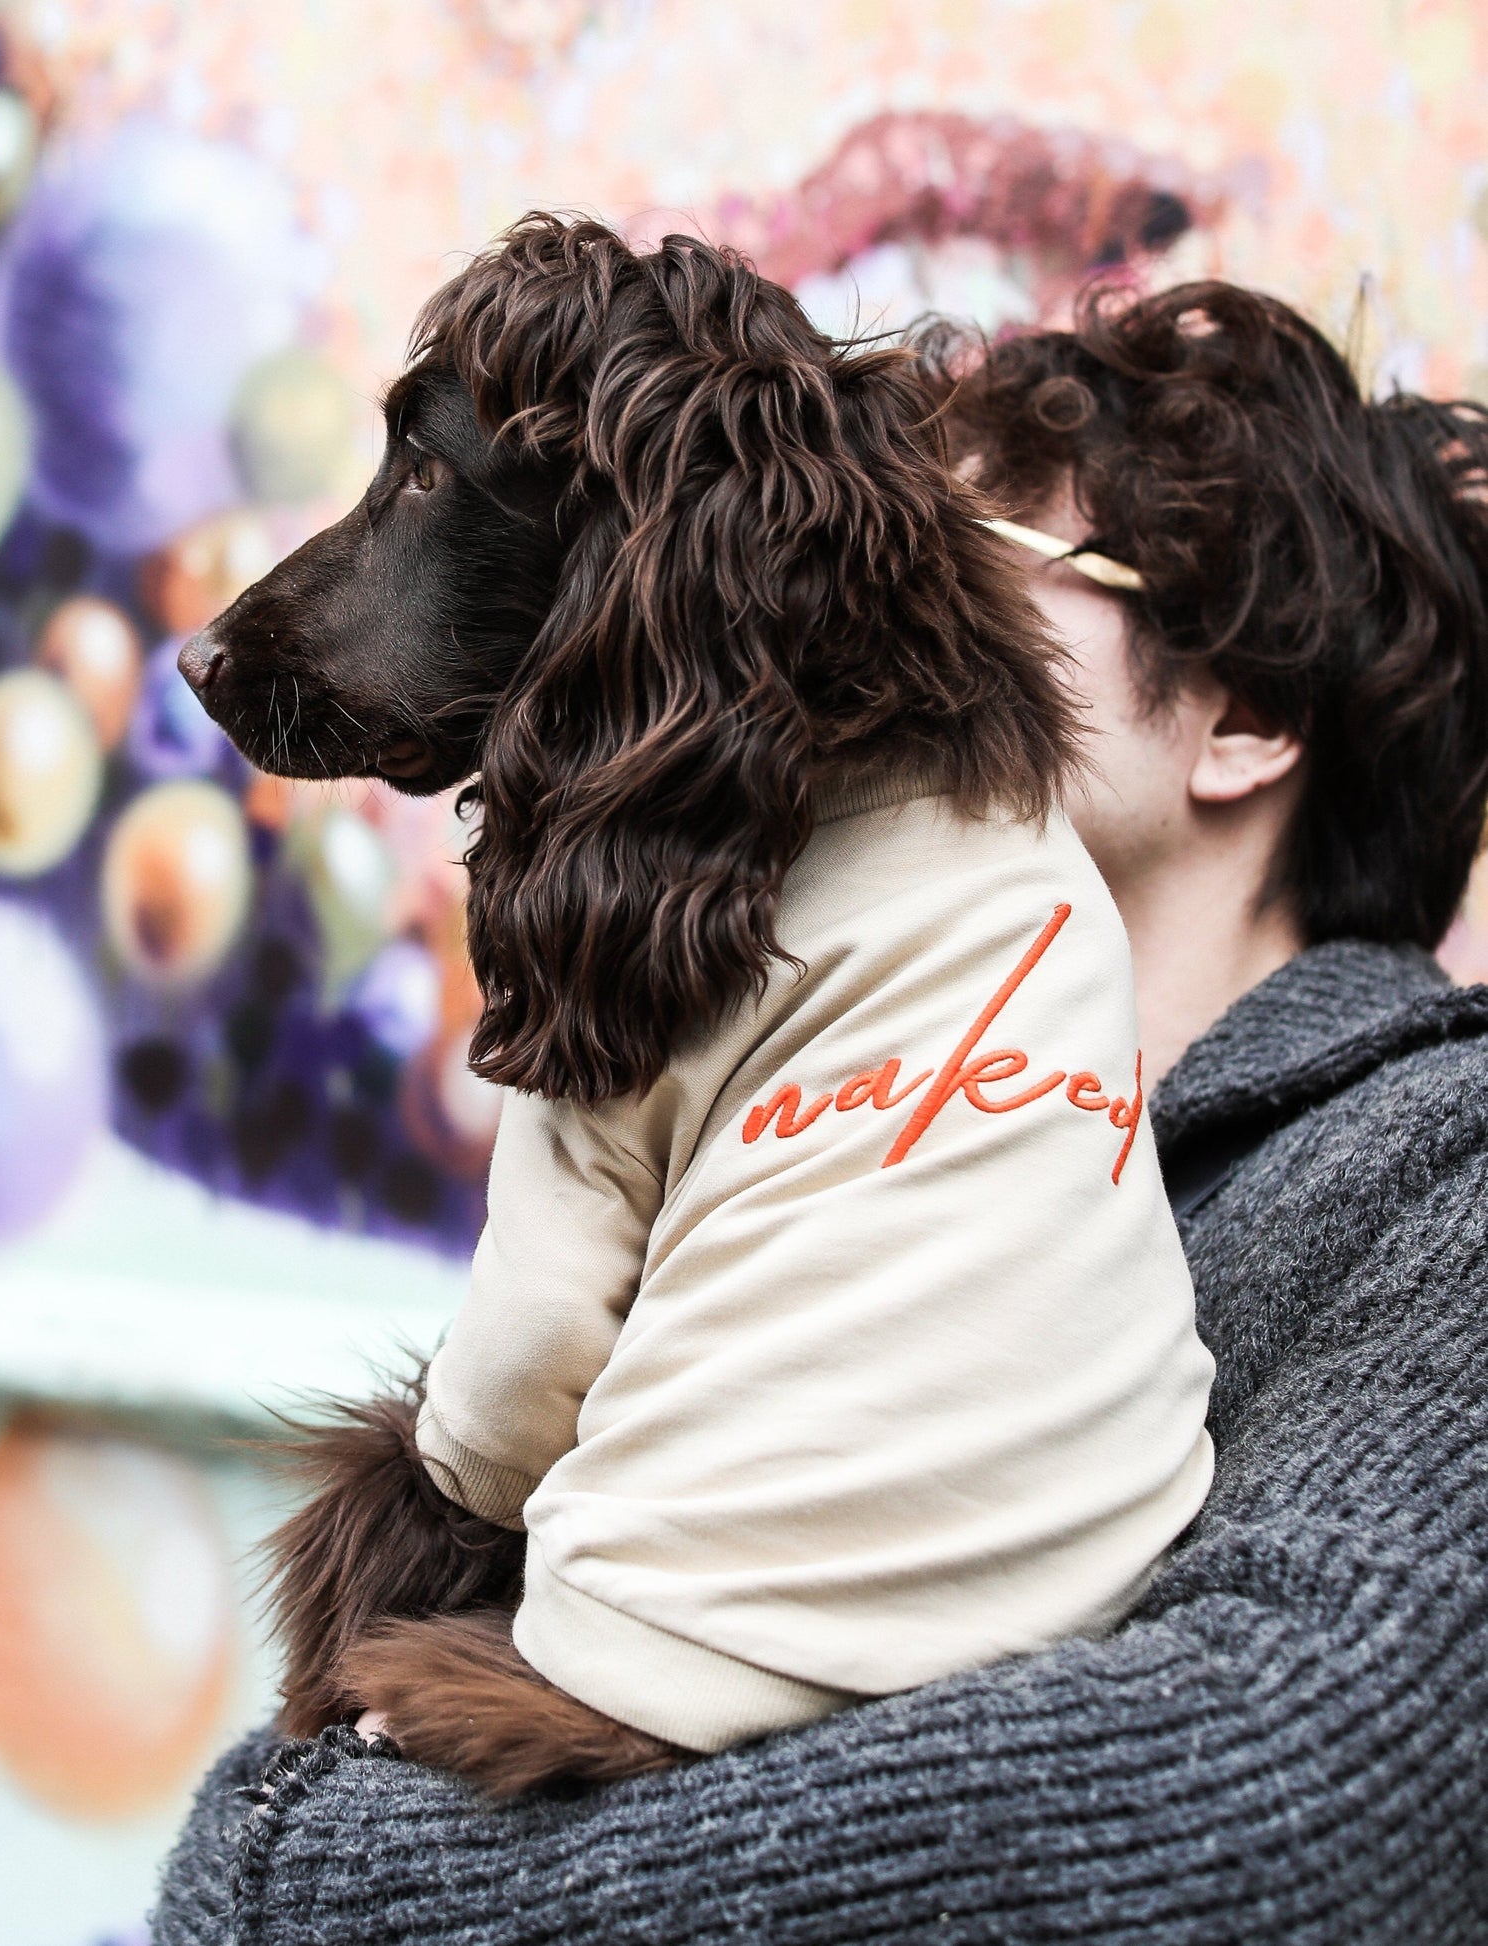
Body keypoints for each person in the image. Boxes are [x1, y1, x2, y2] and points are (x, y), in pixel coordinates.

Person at [154, 280, 1488, 1943]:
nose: (884, 564)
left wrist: (316, 1869)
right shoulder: (785, 1018)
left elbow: (1290, 1803)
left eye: (989, 538)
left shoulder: (1445, 1172)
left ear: (1245, 722)